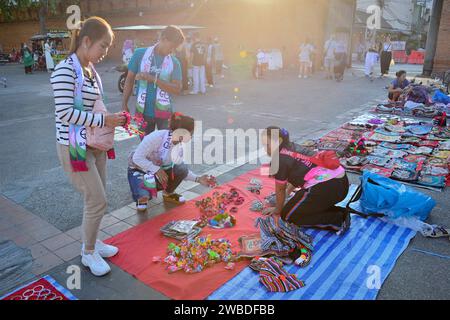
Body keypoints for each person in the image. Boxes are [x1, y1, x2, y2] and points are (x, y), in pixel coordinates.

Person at [50, 17, 127, 276]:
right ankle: (88, 252)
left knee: (97, 198)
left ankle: (92, 243)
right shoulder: (65, 70)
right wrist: (105, 120)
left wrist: (110, 120)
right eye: (103, 46)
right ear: (86, 41)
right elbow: (65, 114)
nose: (105, 52)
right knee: (97, 200)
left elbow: (93, 107)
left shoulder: (90, 70)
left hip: (95, 143)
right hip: (74, 144)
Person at [262, 126, 350, 233]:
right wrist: (288, 194)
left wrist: (277, 210)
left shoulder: (279, 160)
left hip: (327, 188)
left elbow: (280, 189)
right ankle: (340, 213)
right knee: (296, 207)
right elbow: (299, 173)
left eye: (267, 144)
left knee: (288, 215)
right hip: (341, 184)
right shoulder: (292, 146)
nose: (265, 148)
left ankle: (337, 220)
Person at [128, 113, 216, 211]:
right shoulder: (156, 137)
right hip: (140, 169)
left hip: (160, 169)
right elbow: (137, 158)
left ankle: (168, 193)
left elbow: (181, 170)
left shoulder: (179, 145)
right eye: (191, 133)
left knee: (181, 168)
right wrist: (156, 169)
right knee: (144, 197)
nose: (191, 136)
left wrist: (198, 179)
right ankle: (142, 196)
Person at [122, 26, 184, 136]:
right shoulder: (139, 54)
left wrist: (153, 79)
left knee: (162, 149)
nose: (172, 50)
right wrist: (124, 103)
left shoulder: (174, 62)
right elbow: (129, 79)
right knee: (144, 147)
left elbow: (177, 89)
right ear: (164, 39)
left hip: (165, 114)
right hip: (143, 112)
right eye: (172, 46)